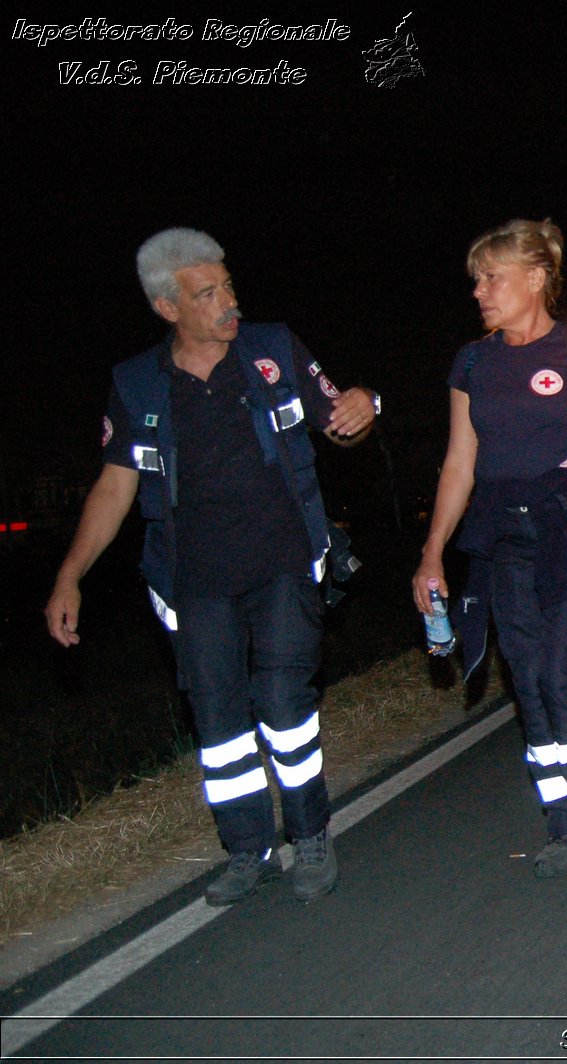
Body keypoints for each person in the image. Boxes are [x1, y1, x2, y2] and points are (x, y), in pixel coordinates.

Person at [44, 227, 380, 905]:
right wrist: (69, 573)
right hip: (193, 580)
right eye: (209, 293)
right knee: (220, 722)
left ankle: (310, 834)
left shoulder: (273, 350)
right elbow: (114, 487)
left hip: (284, 560)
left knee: (284, 703)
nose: (229, 301)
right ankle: (247, 848)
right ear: (169, 309)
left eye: (228, 284)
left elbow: (347, 420)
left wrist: (364, 405)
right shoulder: (137, 385)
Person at [413, 219, 567, 880]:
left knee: (563, 672)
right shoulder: (474, 362)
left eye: (493, 277)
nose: (480, 290)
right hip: (503, 535)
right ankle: (563, 817)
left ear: (536, 278)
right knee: (528, 680)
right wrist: (432, 553)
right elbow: (459, 464)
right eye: (477, 280)